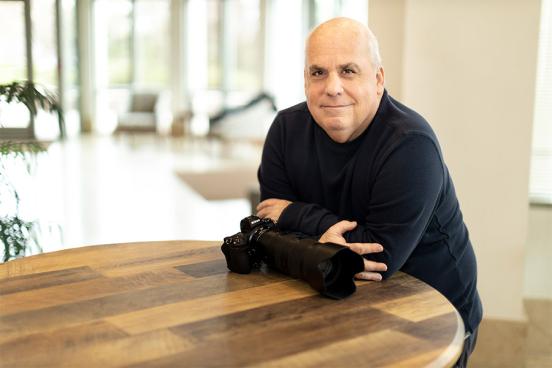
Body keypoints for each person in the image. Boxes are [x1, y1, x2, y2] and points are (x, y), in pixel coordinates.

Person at [256, 17, 482, 367]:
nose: (332, 87)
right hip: (336, 301)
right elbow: (266, 235)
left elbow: (379, 260)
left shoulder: (410, 145)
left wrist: (295, 216)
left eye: (348, 71)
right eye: (318, 73)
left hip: (431, 313)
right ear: (305, 80)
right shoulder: (286, 130)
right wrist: (319, 242)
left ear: (377, 79)